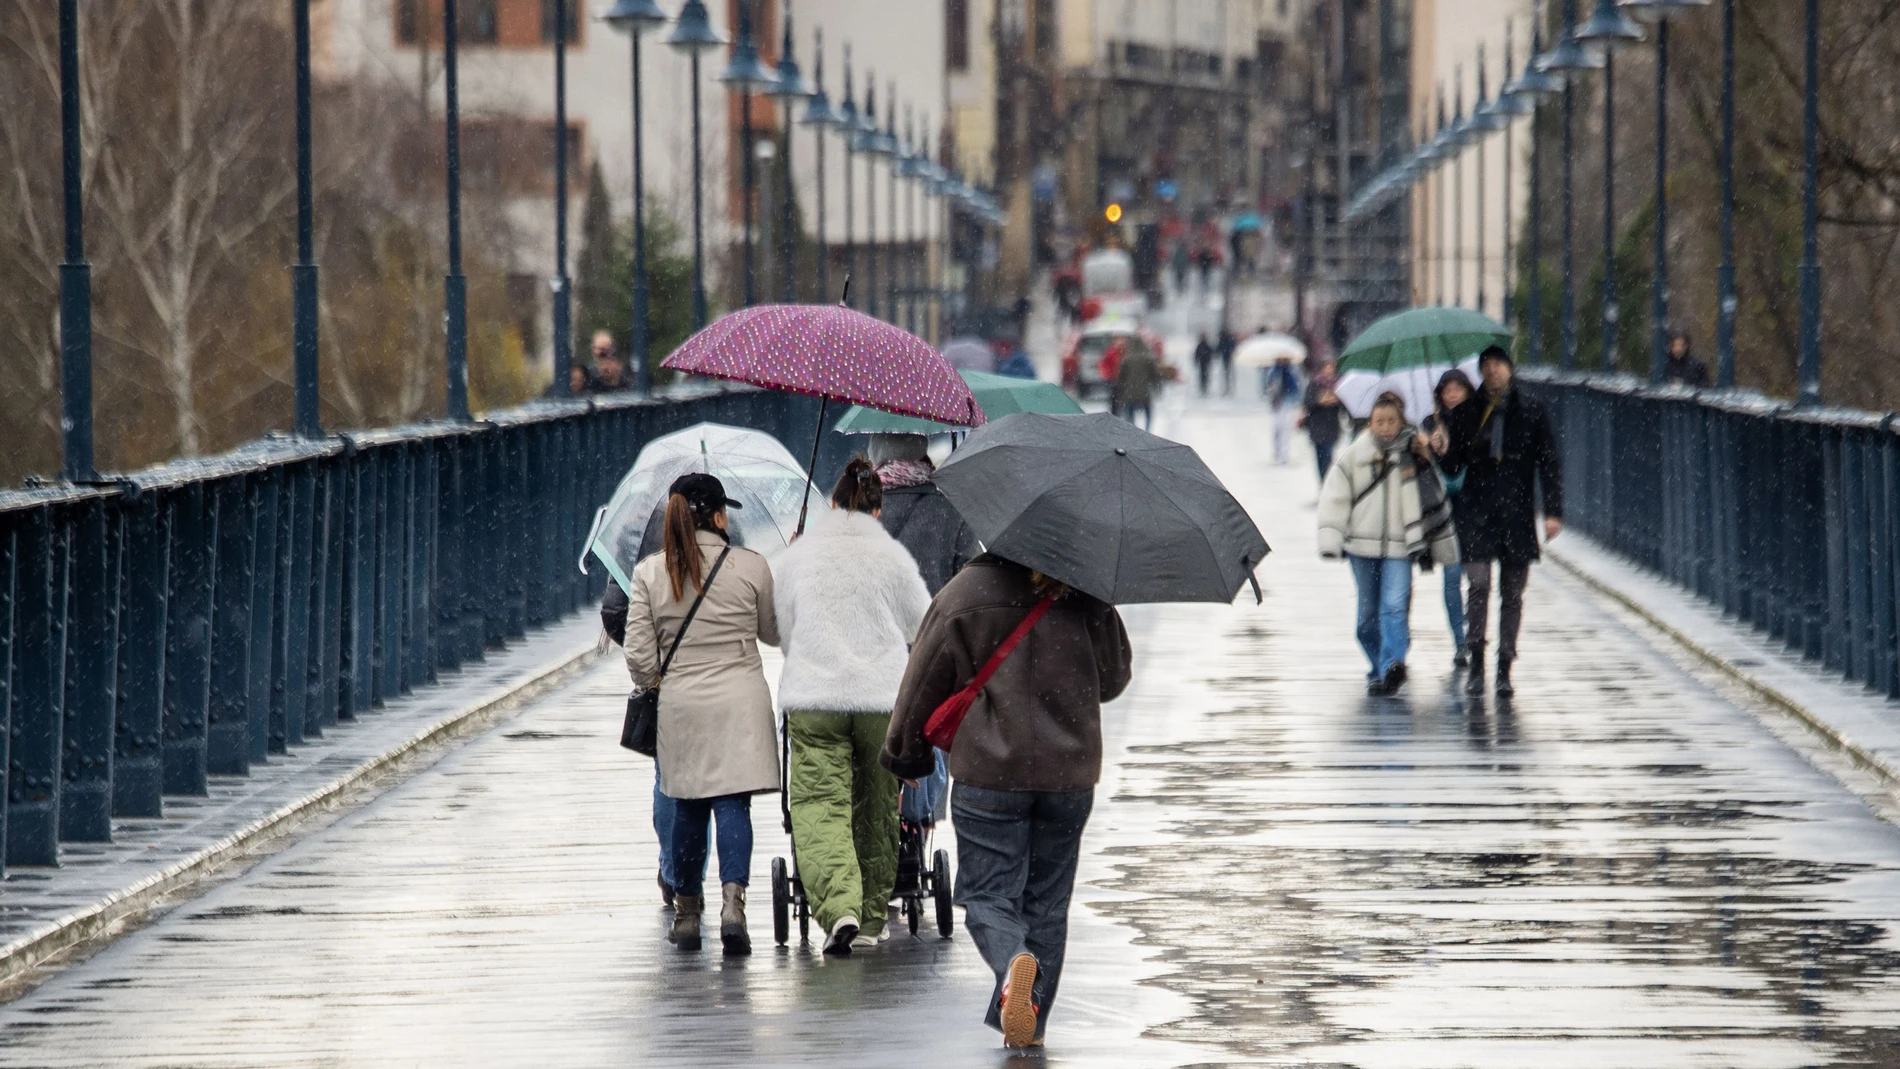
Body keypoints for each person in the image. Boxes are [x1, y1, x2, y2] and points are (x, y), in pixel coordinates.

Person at [883, 553, 1133, 1051]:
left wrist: (905, 755)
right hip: (1069, 775)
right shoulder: (1088, 589)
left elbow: (923, 680)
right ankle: (1030, 1029)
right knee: (1048, 901)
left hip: (990, 773)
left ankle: (1013, 965)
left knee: (987, 895)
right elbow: (1113, 680)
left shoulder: (966, 592)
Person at [773, 459, 932, 955]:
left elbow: (780, 633)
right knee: (877, 808)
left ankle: (838, 905)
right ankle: (868, 919)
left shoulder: (800, 556)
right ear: (878, 510)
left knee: (820, 805)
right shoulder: (893, 558)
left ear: (833, 502)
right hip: (880, 702)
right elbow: (922, 629)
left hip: (815, 699)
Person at [624, 473, 780, 955]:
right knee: (733, 804)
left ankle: (688, 915)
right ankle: (734, 906)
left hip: (683, 705)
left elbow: (639, 657)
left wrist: (660, 680)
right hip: (740, 702)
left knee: (688, 806)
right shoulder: (751, 566)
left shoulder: (651, 572)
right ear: (717, 515)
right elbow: (773, 632)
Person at [1317, 392, 1459, 696]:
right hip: (1360, 548)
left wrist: (1430, 449)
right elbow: (1334, 497)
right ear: (1370, 423)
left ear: (1401, 422)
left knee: (1394, 607)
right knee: (1367, 618)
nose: (1384, 427)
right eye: (1379, 421)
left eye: (1391, 421)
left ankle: (1393, 664)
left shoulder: (1414, 453)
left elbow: (1435, 492)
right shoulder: (1355, 455)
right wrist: (1331, 539)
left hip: (1400, 547)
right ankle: (1377, 665)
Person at [1453, 346, 1564, 698]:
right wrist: (1443, 443)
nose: (1493, 372)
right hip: (1478, 510)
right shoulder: (1469, 411)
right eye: (1486, 366)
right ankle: (1477, 661)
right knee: (1479, 584)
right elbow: (1453, 465)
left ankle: (1505, 664)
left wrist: (1552, 511)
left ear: (1510, 369)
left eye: (1499, 365)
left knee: (1513, 592)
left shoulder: (1531, 409)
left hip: (1516, 511)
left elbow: (1548, 461)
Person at [601, 579, 709, 910]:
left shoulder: (640, 537)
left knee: (668, 776)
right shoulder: (724, 534)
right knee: (702, 780)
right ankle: (691, 876)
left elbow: (615, 610)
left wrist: (651, 663)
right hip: (711, 675)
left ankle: (675, 873)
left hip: (667, 677)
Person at [870, 434, 981, 597]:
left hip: (874, 620)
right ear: (922, 452)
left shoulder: (856, 511)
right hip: (933, 619)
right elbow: (971, 583)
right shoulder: (951, 512)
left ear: (876, 456)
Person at [1425, 369, 1482, 669]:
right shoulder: (1431, 425)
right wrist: (1431, 449)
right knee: (1450, 579)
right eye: (1447, 389)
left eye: (1458, 388)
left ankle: (1474, 633)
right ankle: (1460, 642)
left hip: (1473, 511)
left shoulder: (1477, 421)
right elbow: (1429, 472)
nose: (1452, 394)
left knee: (1477, 580)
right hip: (1444, 513)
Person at [1298, 373, 1348, 483]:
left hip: (1331, 429)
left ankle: (1327, 482)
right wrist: (1319, 401)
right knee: (1320, 459)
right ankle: (1324, 482)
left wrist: (1335, 400)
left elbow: (1344, 409)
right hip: (1317, 429)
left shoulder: (1338, 386)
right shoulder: (1314, 385)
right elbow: (1307, 404)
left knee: (1328, 458)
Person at [1113, 339, 1161, 431]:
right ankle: (1147, 430)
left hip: (1130, 392)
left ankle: (1133, 430)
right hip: (1144, 392)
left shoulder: (1126, 359)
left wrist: (1120, 390)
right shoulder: (1147, 359)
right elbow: (1154, 375)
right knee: (1148, 413)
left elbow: (1121, 377)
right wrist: (1156, 388)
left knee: (1130, 413)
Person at [1263, 355, 1303, 465]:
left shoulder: (1290, 371)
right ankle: (1278, 451)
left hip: (1287, 402)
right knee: (1278, 428)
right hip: (1278, 403)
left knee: (1284, 429)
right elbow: (1269, 386)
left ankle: (1283, 454)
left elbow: (1295, 387)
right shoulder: (1274, 371)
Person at [1216, 326, 1237, 397]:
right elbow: (1233, 347)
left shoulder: (1223, 340)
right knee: (1228, 374)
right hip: (1229, 358)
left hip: (1226, 358)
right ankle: (1228, 388)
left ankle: (1227, 389)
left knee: (1226, 374)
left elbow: (1218, 349)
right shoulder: (1229, 339)